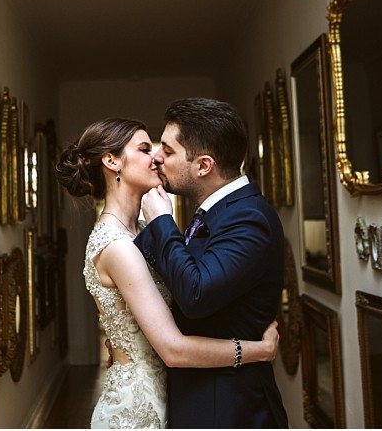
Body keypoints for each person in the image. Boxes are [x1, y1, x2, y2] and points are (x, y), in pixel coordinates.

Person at [56, 117, 280, 429]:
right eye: (145, 149)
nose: (157, 157)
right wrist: (258, 351)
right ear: (111, 161)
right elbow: (172, 349)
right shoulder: (116, 245)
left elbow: (185, 291)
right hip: (138, 407)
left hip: (169, 396)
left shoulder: (145, 230)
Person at [135, 98, 289, 428]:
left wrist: (162, 220)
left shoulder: (249, 218)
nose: (158, 157)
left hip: (227, 406)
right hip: (198, 395)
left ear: (204, 165)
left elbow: (195, 295)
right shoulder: (215, 211)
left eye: (169, 150)